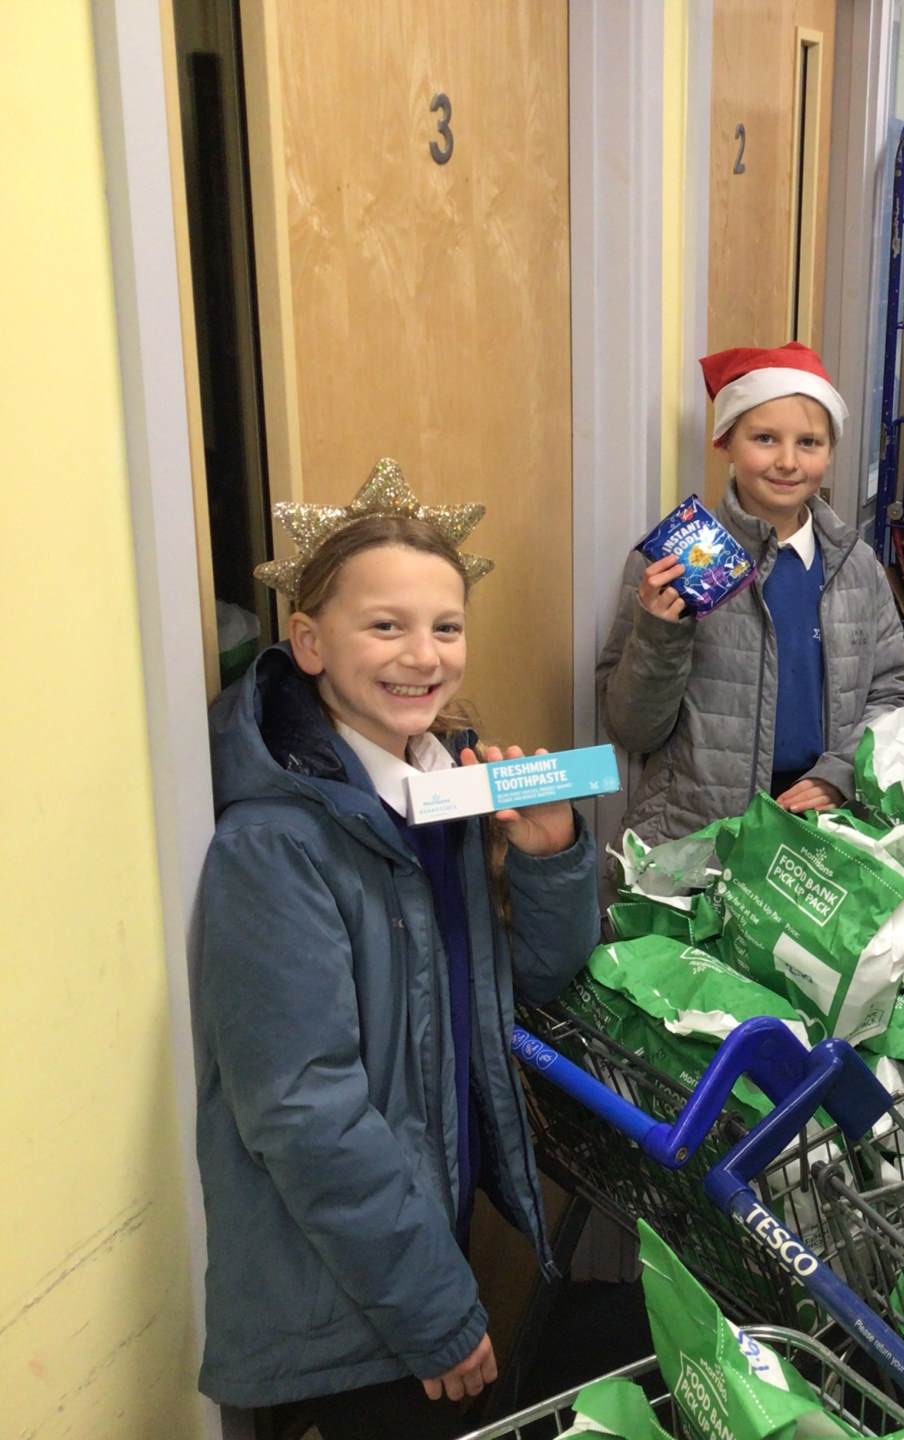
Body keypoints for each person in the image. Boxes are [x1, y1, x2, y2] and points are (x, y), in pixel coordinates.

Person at [192, 464, 599, 1438]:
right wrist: (433, 1308)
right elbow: (304, 1109)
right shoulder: (276, 844)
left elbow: (529, 984)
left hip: (426, 1232)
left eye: (446, 627)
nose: (424, 655)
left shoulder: (439, 794)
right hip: (345, 1300)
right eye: (386, 626)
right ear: (309, 642)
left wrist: (548, 855)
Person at [598, 342, 904, 843]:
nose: (787, 462)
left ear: (830, 452)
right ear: (725, 441)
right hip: (696, 839)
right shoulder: (668, 567)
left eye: (808, 443)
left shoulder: (856, 567)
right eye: (765, 438)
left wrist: (843, 774)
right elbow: (632, 730)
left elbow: (889, 695)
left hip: (822, 836)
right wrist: (659, 633)